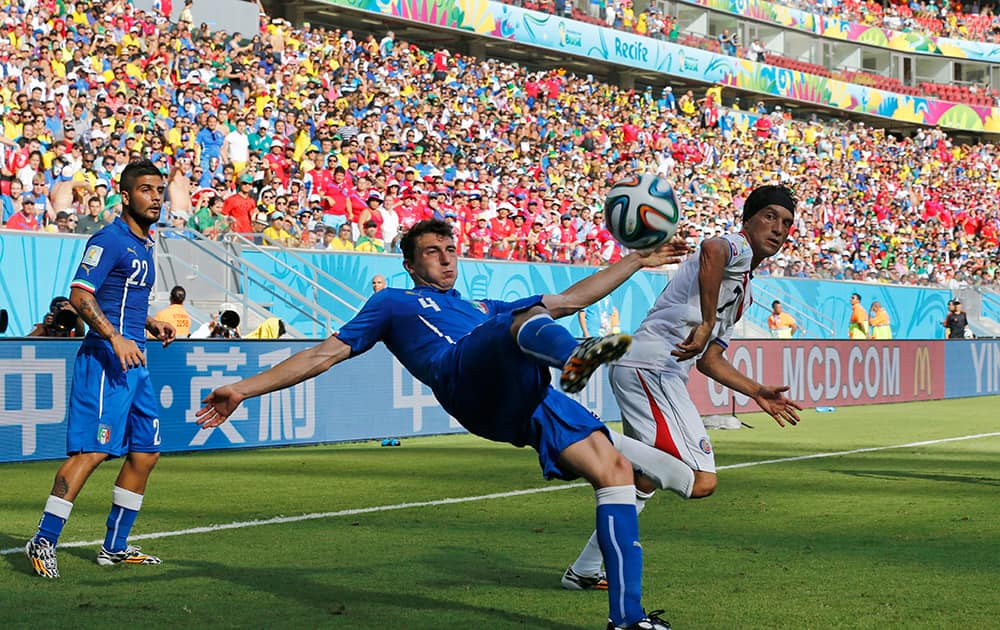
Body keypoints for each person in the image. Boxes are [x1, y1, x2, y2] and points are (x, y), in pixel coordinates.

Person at [196, 218, 688, 630]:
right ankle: (574, 356)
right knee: (521, 319)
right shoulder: (394, 303)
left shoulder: (478, 305)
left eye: (451, 249)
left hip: (528, 397)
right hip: (463, 381)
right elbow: (324, 355)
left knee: (617, 474)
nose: (447, 258)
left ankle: (627, 619)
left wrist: (637, 260)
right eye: (432, 252)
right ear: (410, 265)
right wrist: (243, 387)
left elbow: (571, 300)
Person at [561, 185, 803, 594]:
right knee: (701, 481)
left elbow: (708, 359)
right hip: (652, 367)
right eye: (769, 216)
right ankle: (581, 436)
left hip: (653, 369)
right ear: (749, 219)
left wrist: (756, 390)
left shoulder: (742, 290)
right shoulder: (735, 247)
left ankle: (584, 570)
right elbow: (711, 248)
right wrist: (707, 320)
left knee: (645, 480)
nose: (778, 228)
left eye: (786, 223)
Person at [25, 160, 176, 579]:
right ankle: (42, 540)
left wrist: (148, 322)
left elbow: (118, 299)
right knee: (92, 451)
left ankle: (114, 546)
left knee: (146, 452)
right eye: (146, 190)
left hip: (135, 361)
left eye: (160, 190)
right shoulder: (109, 239)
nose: (156, 197)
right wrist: (115, 337)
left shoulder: (145, 243)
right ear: (125, 196)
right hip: (107, 361)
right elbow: (79, 294)